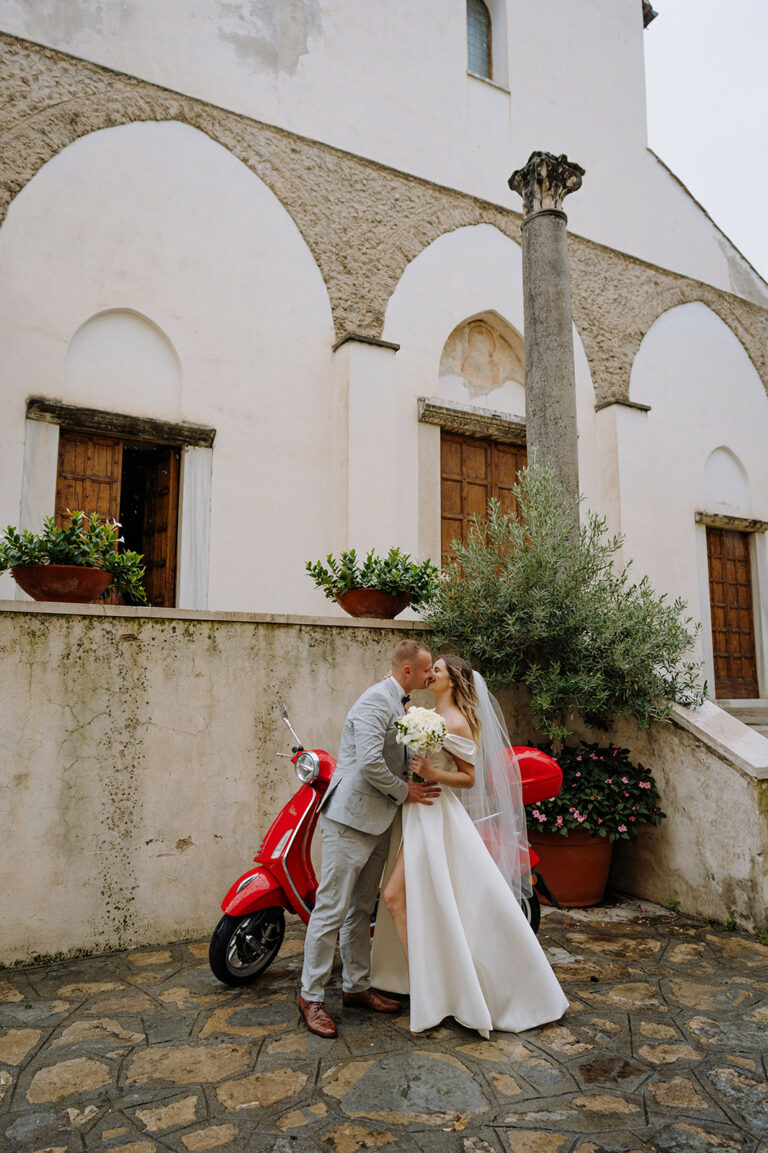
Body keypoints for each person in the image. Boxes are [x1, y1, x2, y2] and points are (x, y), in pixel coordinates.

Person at [370, 654, 568, 1037]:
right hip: (419, 812)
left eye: (437, 670)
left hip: (437, 815)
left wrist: (430, 772)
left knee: (396, 897)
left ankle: (434, 987)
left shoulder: (458, 722)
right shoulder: (427, 714)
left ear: (454, 680)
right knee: (422, 901)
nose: (430, 674)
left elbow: (469, 778)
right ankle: (432, 983)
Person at [299, 639, 440, 1038]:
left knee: (362, 908)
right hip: (350, 820)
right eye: (426, 669)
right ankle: (310, 997)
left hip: (378, 821)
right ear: (407, 671)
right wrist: (404, 791)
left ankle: (356, 987)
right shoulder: (376, 701)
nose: (430, 675)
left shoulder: (399, 701)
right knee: (331, 909)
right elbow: (370, 762)